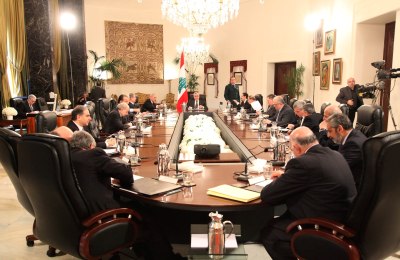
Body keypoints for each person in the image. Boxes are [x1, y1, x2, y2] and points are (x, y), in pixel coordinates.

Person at [70, 131, 185, 260]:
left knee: (136, 207)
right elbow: (126, 175)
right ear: (91, 145)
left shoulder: (64, 157)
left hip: (76, 217)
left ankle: (145, 253)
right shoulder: (93, 154)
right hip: (101, 215)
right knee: (147, 214)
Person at [260, 127, 357, 259]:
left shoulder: (302, 164)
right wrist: (288, 176)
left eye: (292, 149)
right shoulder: (335, 154)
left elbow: (268, 195)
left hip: (322, 226)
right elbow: (317, 176)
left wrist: (285, 178)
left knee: (269, 233)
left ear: (297, 147)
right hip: (343, 220)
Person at [326, 113, 367, 189]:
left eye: (330, 131)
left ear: (339, 129)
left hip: (355, 189)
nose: (328, 135)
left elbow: (337, 169)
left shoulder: (353, 144)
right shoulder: (351, 136)